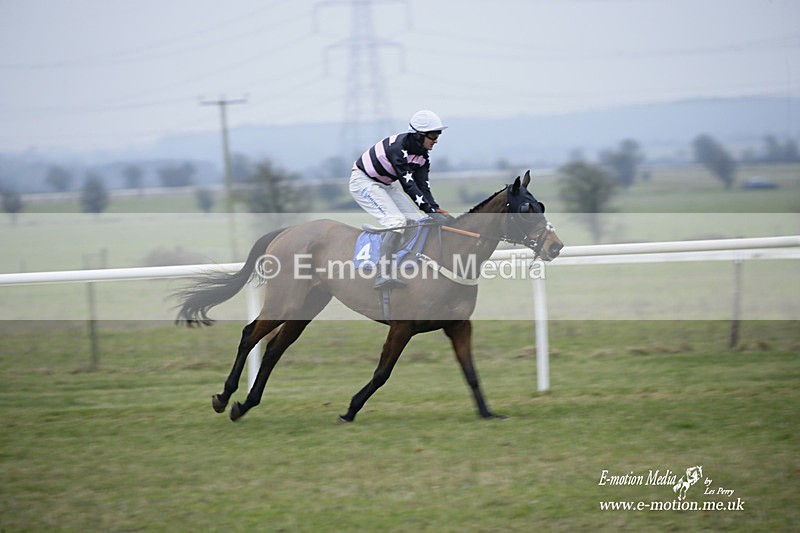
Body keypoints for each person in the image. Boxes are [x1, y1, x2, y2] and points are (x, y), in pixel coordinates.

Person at [349, 109, 450, 289]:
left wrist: (435, 210)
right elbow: (408, 185)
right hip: (363, 181)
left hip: (385, 184)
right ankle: (383, 274)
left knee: (418, 221)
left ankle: (403, 261)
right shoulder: (399, 149)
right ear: (419, 135)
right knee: (396, 221)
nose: (436, 139)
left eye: (438, 134)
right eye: (433, 134)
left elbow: (423, 187)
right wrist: (430, 211)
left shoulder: (422, 157)